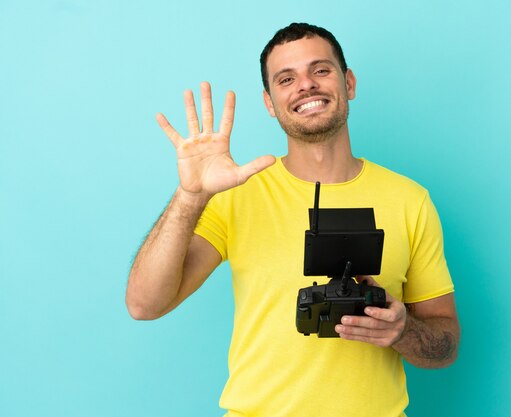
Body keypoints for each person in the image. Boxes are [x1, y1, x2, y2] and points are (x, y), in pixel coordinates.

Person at [126, 22, 460, 417]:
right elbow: (145, 305)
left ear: (348, 83)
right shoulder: (237, 194)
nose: (306, 86)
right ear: (270, 103)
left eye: (320, 70)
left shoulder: (410, 200)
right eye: (287, 78)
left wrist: (402, 331)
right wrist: (191, 195)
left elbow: (445, 345)